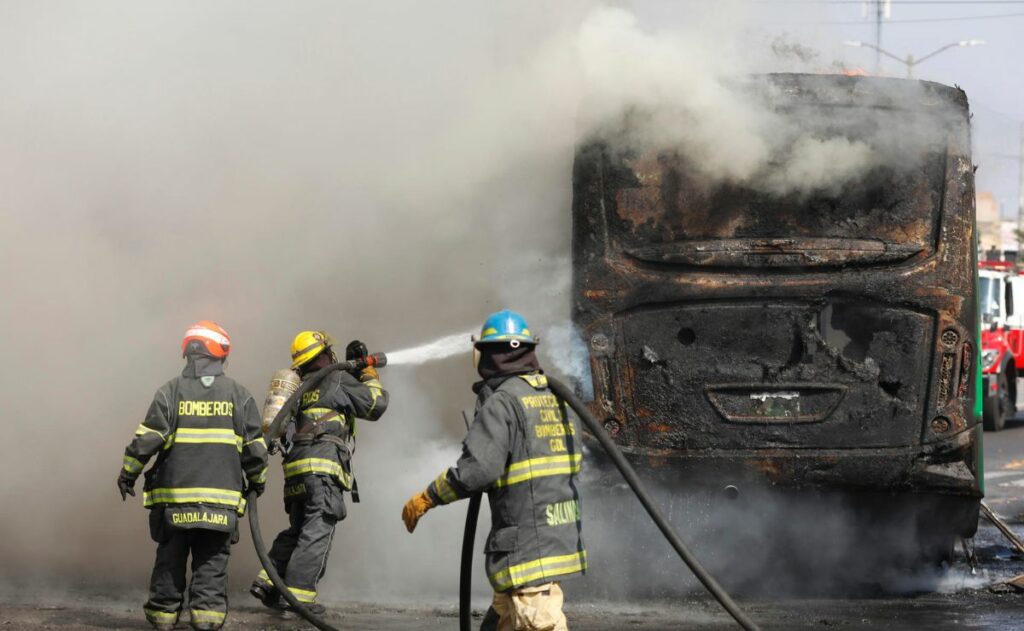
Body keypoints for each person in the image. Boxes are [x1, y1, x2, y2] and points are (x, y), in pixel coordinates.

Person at [402, 310, 586, 631]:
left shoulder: (502, 403)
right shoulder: (555, 398)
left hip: (527, 545)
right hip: (558, 531)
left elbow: (478, 471)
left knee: (538, 620)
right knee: (503, 617)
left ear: (487, 354)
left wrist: (427, 497)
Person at [117, 321, 269, 631]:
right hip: (220, 505)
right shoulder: (239, 396)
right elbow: (255, 450)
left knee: (169, 564)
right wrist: (258, 481)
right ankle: (207, 622)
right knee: (211, 566)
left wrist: (128, 473)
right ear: (221, 353)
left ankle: (162, 619)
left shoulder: (170, 392)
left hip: (174, 504)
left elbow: (147, 439)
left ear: (188, 352)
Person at [250, 331, 388, 614]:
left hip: (296, 471)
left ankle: (268, 583)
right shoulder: (336, 378)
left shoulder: (301, 388)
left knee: (299, 529)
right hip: (322, 469)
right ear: (325, 354)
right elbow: (376, 404)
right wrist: (369, 372)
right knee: (316, 531)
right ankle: (299, 600)